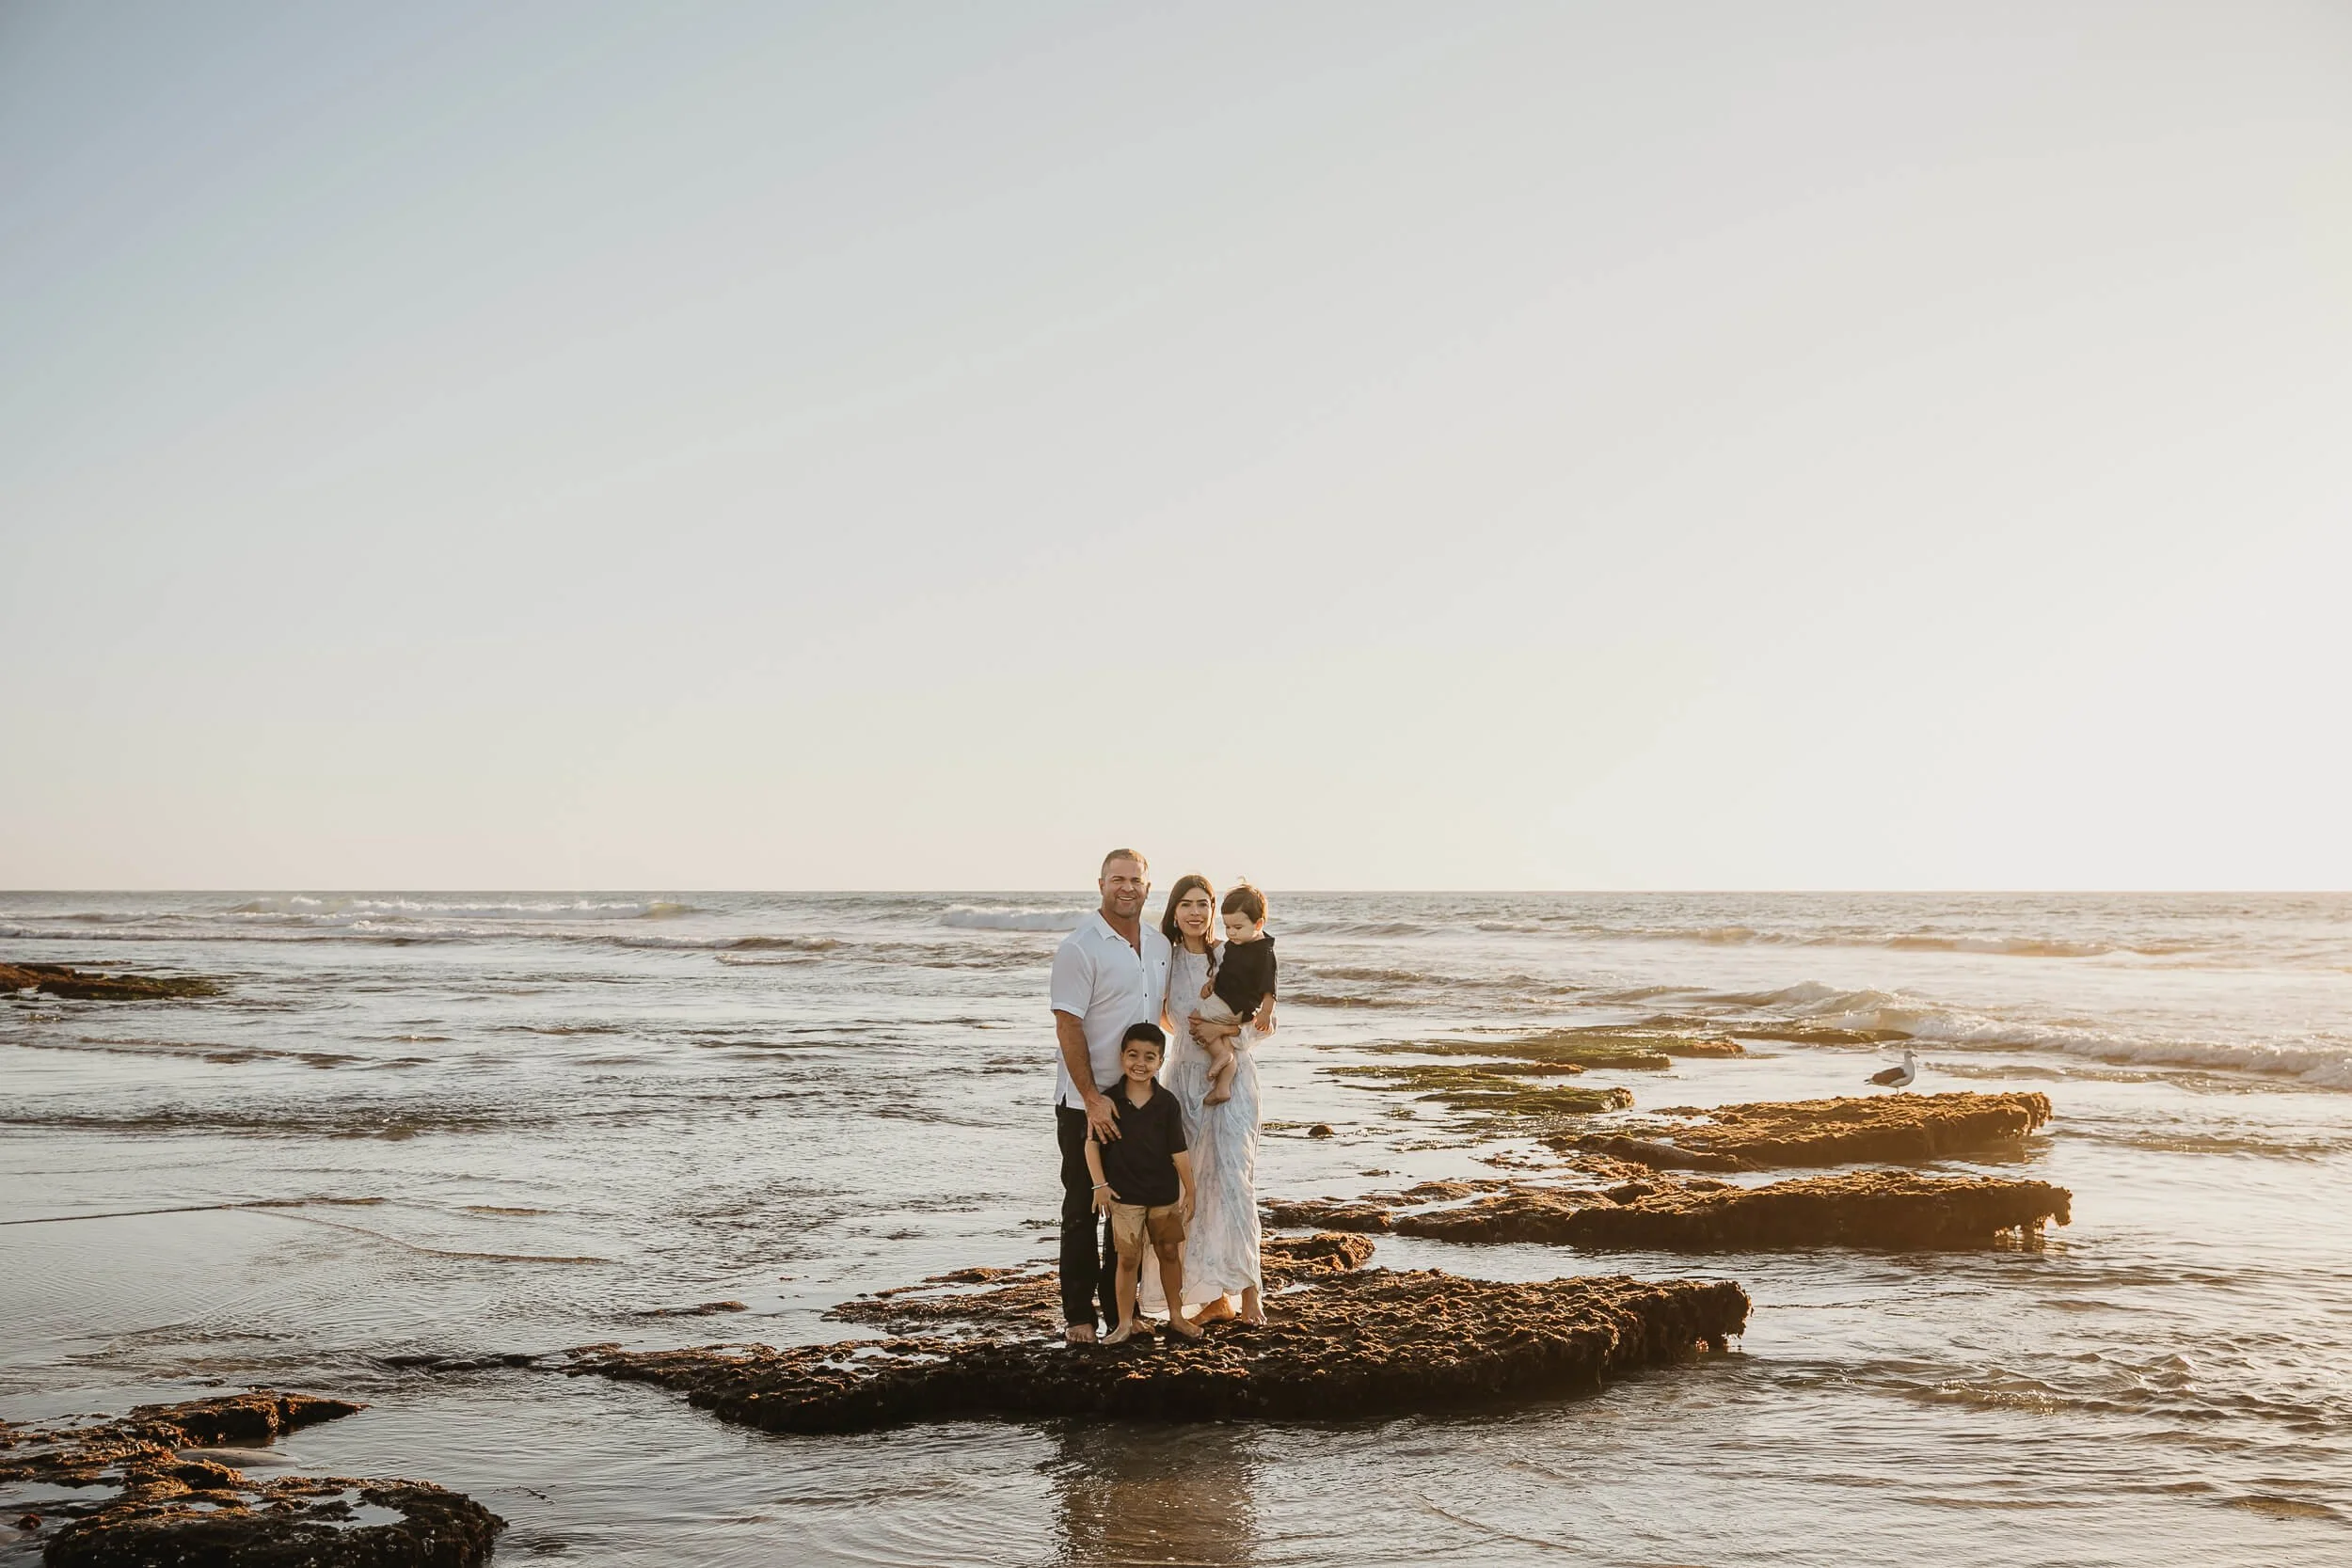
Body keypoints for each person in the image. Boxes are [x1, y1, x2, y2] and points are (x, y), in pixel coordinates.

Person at [1048, 848, 1172, 1343]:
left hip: (1138, 1100)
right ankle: (1079, 1315)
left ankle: (1126, 1312)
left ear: (1148, 886)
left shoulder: (1161, 946)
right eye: (1117, 879)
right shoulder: (1080, 947)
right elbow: (1068, 1023)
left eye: (1136, 880)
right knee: (1082, 1206)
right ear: (1100, 882)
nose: (1127, 888)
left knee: (1130, 1211)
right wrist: (1092, 1097)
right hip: (1086, 1103)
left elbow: (1170, 1014)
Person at [1146, 874, 1274, 1327]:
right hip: (1183, 1077)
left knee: (1236, 1179)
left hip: (1235, 1078)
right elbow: (1154, 1017)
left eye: (1204, 903)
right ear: (1174, 911)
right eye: (1187, 904)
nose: (1196, 913)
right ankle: (1206, 1297)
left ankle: (1250, 1292)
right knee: (1190, 1183)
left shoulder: (1233, 951)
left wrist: (1226, 1033)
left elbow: (1262, 1026)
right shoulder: (1163, 959)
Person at [1084, 1023, 1201, 1344]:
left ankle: (1177, 1317)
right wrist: (1099, 1185)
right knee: (1127, 1259)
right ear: (1121, 1056)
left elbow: (1179, 1151)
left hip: (1163, 1195)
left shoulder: (1167, 1104)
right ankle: (1123, 1324)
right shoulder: (1108, 1101)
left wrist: (1190, 1189)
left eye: (1150, 1057)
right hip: (1124, 1197)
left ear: (1161, 1062)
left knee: (1168, 1253)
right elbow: (1091, 1145)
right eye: (1133, 1054)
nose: (1140, 1062)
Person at [1188, 883, 1277, 1107]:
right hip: (1226, 1000)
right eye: (1227, 927)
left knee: (1197, 1018)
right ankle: (1223, 1086)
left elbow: (1269, 987)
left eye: (1237, 927)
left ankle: (1223, 1056)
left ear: (1259, 924)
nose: (1231, 933)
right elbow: (1226, 970)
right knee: (1224, 1041)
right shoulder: (1236, 945)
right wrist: (1213, 981)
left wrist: (1266, 1013)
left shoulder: (1263, 953)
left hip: (1234, 1005)